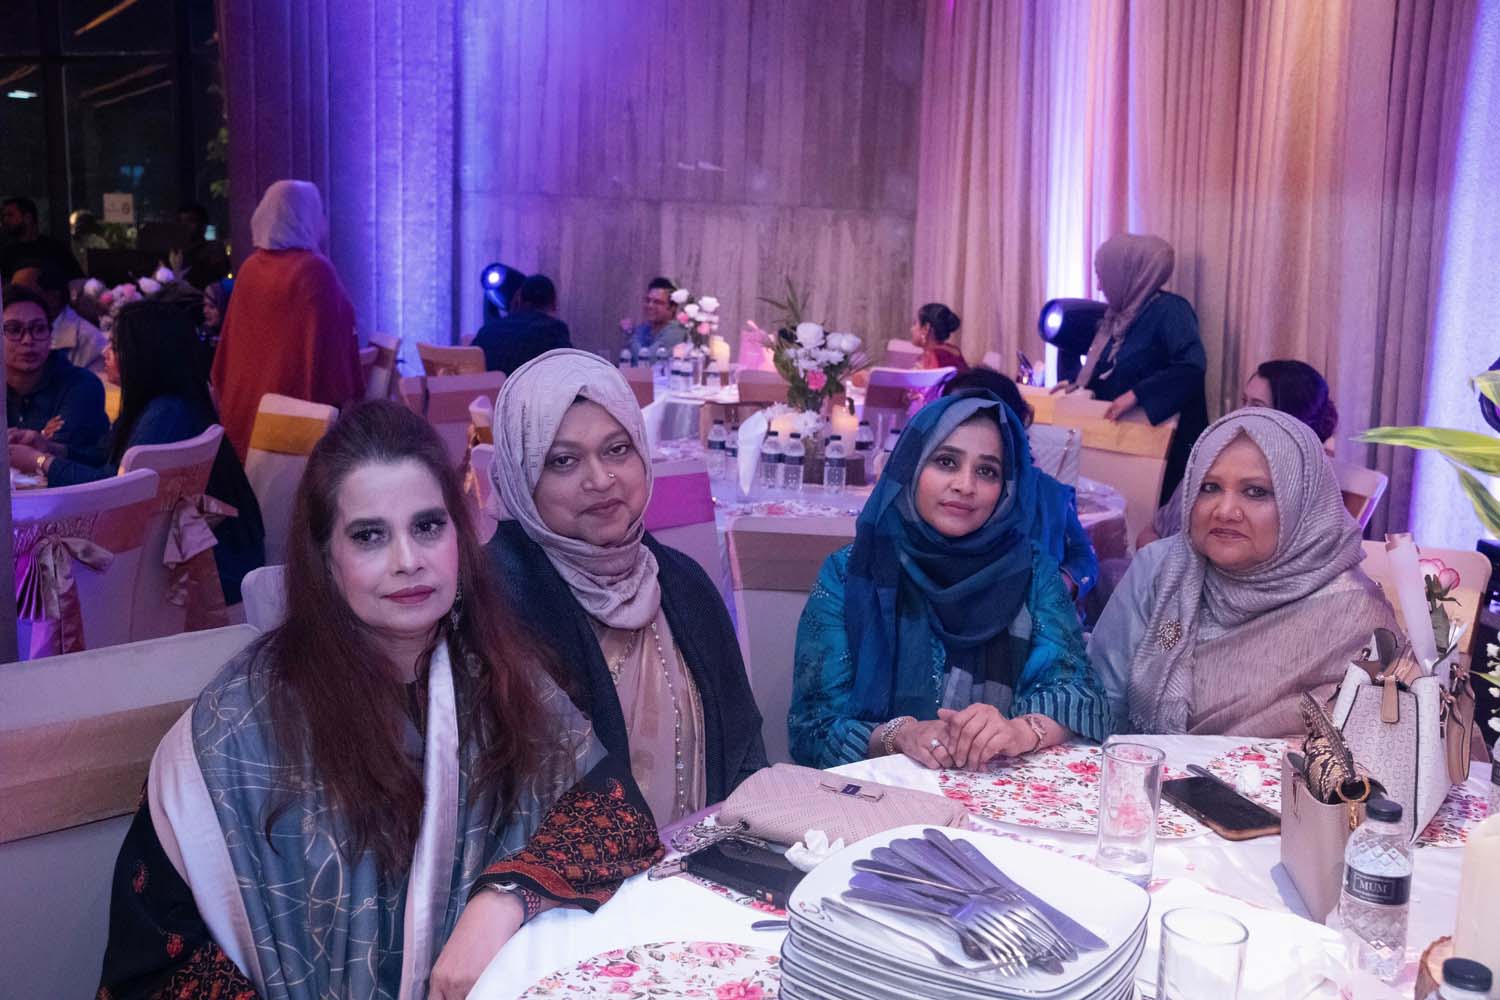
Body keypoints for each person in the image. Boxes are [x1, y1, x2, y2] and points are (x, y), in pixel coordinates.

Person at [96, 401, 662, 1000]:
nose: (408, 561)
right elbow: (158, 963)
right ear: (326, 560)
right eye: (369, 536)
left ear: (460, 537)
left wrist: (504, 899)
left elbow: (613, 816)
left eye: (428, 527)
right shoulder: (240, 728)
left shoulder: (497, 672)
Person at [486, 350, 766, 824]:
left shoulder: (683, 584)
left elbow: (743, 751)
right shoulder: (492, 608)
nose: (601, 480)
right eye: (563, 461)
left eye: (617, 450)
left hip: (701, 862)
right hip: (554, 872)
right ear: (521, 476)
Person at [788, 390, 1113, 771]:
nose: (965, 485)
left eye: (987, 471)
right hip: (874, 794)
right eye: (946, 462)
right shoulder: (852, 573)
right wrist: (899, 735)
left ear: (1007, 487)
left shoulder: (1031, 572)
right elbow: (812, 729)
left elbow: (1081, 696)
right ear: (912, 465)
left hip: (995, 790)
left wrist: (1019, 731)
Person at [1088, 408, 1398, 737]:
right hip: (1135, 766)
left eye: (1255, 492)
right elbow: (1099, 702)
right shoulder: (1160, 568)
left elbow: (1370, 742)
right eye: (1209, 487)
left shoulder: (1354, 614)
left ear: (1302, 502)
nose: (1224, 511)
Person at [10, 300, 266, 604]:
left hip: (202, 571)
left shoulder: (166, 414)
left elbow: (115, 489)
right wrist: (50, 448)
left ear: (144, 355)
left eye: (115, 346)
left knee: (37, 564)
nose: (105, 352)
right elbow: (108, 459)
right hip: (186, 555)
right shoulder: (162, 405)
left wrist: (40, 461)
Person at [211, 180, 362, 460]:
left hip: (244, 412)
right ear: (304, 216)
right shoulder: (314, 271)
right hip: (293, 421)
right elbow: (333, 350)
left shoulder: (250, 269)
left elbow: (230, 354)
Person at [1064, 233, 1208, 502]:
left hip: (1163, 452)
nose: (1099, 286)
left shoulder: (1171, 310)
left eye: (1103, 276)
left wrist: (1137, 395)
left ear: (1128, 274)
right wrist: (1077, 385)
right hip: (1125, 447)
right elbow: (1111, 372)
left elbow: (1191, 367)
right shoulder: (1117, 319)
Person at [1139, 358, 1339, 546]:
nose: (1240, 413)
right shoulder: (1210, 463)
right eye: (1244, 401)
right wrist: (1160, 562)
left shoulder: (1303, 495)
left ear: (1291, 419)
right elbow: (1151, 532)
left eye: (1257, 406)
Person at [942, 367, 1097, 599]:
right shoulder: (933, 487)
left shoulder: (1050, 494)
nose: (965, 486)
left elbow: (1084, 555)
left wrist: (1064, 582)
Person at [4, 284, 108, 466]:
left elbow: (72, 462)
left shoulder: (81, 386)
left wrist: (45, 447)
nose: (28, 340)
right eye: (14, 330)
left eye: (39, 329)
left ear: (51, 335)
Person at [10, 259, 108, 374]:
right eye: (10, 293)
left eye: (22, 295)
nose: (11, 302)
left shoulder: (92, 344)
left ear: (52, 298)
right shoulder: (7, 333)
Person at [472, 273, 573, 374]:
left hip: (483, 384)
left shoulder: (488, 330)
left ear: (519, 300)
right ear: (554, 304)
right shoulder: (555, 330)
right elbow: (569, 372)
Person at [1, 196, 82, 283]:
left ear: (28, 218)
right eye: (3, 216)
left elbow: (77, 279)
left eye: (10, 215)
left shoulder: (54, 248)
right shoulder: (6, 252)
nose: (5, 220)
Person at [620, 276, 688, 355]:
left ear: (673, 307)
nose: (650, 306)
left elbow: (646, 358)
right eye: (648, 300)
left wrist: (629, 333)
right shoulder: (645, 327)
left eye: (657, 302)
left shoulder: (676, 332)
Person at [173, 202, 230, 289]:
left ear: (204, 225)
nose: (184, 225)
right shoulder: (173, 250)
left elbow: (214, 277)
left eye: (190, 221)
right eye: (180, 221)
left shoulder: (214, 248)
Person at [910, 302, 970, 372]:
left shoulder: (932, 356)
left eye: (915, 324)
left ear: (926, 328)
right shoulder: (953, 350)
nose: (911, 329)